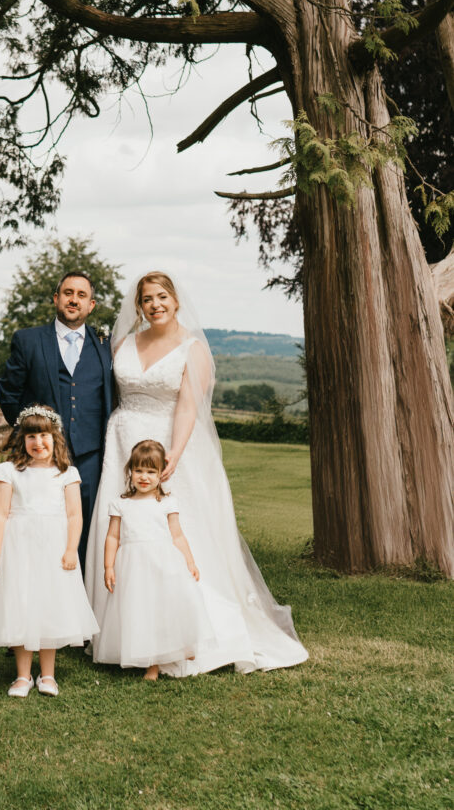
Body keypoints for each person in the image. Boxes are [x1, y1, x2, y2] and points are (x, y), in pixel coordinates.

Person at [86, 271, 309, 676]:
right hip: (122, 443)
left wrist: (175, 451)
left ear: (175, 300)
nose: (155, 304)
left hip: (171, 444)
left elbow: (189, 405)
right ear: (137, 305)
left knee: (174, 534)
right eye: (147, 299)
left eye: (162, 297)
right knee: (122, 529)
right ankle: (122, 632)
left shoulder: (193, 349)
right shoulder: (124, 343)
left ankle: (182, 632)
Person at [0, 405, 99, 697]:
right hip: (19, 549)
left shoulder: (66, 473)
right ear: (22, 439)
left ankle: (47, 675)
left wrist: (72, 549)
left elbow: (75, 516)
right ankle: (23, 676)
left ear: (55, 437)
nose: (38, 442)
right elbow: (0, 514)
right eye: (31, 436)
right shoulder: (9, 472)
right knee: (21, 605)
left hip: (53, 550)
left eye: (43, 435)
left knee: (48, 606)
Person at [0, 272, 113, 567]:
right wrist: (31, 437)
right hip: (42, 460)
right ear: (56, 299)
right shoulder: (28, 340)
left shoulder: (105, 345)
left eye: (81, 295)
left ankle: (82, 604)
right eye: (68, 293)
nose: (74, 299)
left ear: (91, 305)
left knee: (86, 532)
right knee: (39, 530)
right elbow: (9, 394)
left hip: (91, 458)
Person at [96, 439, 216, 680]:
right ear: (130, 471)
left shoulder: (167, 503)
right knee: (142, 611)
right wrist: (108, 566)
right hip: (134, 567)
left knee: (167, 608)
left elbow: (178, 536)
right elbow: (112, 537)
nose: (144, 477)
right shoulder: (121, 504)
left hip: (164, 564)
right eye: (139, 470)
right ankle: (151, 663)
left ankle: (181, 646)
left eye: (151, 471)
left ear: (162, 474)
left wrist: (189, 562)